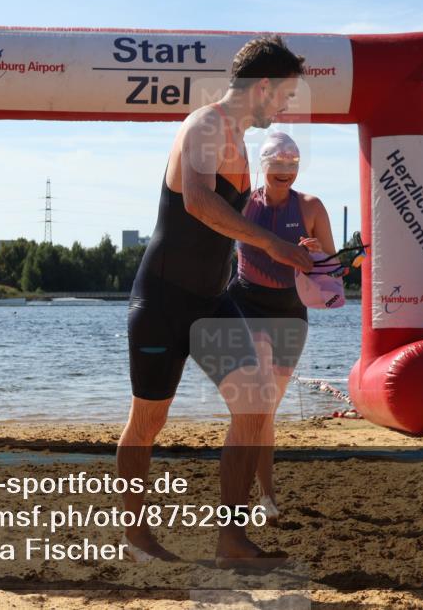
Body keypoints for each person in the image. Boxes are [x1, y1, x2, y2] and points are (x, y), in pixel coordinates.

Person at [120, 36, 312, 567]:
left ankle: (231, 540)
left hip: (211, 300)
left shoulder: (241, 139)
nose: (287, 106)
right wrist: (273, 244)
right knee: (146, 424)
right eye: (286, 93)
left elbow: (232, 223)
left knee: (254, 406)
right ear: (264, 86)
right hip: (162, 300)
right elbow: (199, 201)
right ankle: (136, 537)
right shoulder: (205, 124)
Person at [228, 131, 336, 523]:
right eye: (278, 166)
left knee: (267, 410)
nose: (285, 172)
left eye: (292, 166)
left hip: (290, 311)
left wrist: (315, 255)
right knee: (256, 403)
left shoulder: (310, 207)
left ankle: (265, 494)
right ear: (263, 166)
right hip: (246, 304)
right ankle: (259, 496)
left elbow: (332, 268)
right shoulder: (241, 205)